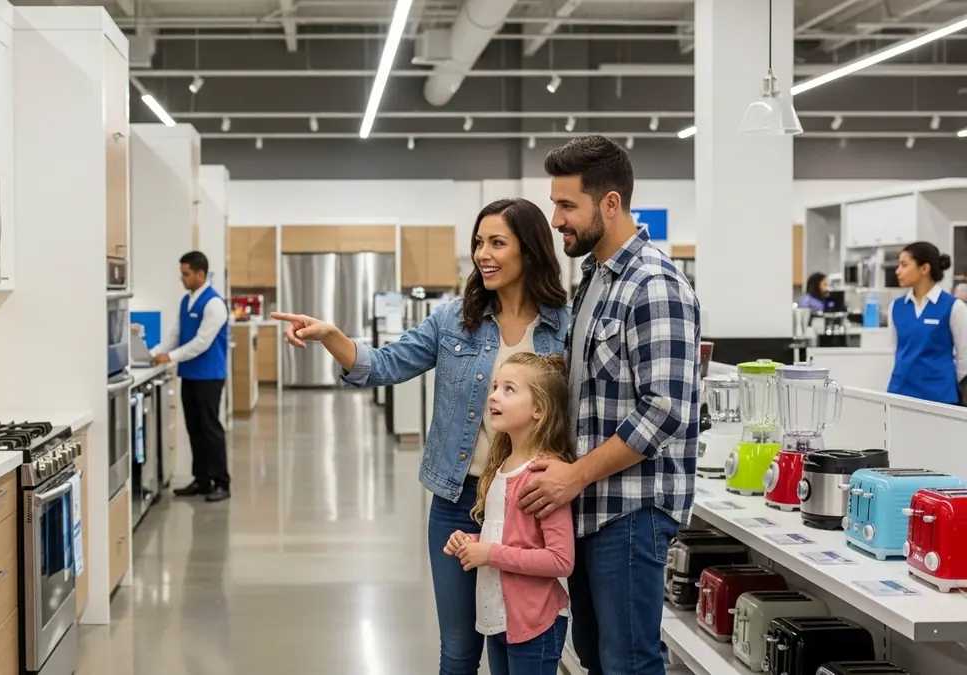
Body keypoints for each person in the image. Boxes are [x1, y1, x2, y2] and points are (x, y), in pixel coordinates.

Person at [271, 198, 570, 675]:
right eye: (478, 243)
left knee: (512, 644)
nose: (482, 254)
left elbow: (577, 417)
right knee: (458, 651)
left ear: (530, 251)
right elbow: (386, 364)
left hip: (527, 507)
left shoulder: (565, 330)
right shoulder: (455, 320)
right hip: (457, 499)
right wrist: (332, 337)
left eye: (497, 242)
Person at [517, 135, 701, 675]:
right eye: (555, 204)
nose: (556, 219)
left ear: (611, 203)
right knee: (597, 656)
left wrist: (574, 475)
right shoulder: (594, 278)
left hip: (629, 509)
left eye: (567, 205)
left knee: (629, 662)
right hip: (591, 506)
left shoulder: (654, 284)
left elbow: (666, 409)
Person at [443, 352, 576, 675]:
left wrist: (488, 553)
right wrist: (472, 542)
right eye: (495, 387)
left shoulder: (544, 476)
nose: (493, 396)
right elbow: (509, 536)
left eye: (508, 389)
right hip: (498, 619)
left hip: (533, 624)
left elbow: (561, 561)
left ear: (539, 410)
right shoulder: (500, 468)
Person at [152, 251, 232, 503]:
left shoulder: (214, 304)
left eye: (185, 273)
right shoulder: (186, 302)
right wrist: (153, 353)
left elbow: (201, 342)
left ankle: (221, 482)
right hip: (190, 375)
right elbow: (174, 335)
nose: (182, 278)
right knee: (194, 428)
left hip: (209, 376)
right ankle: (202, 479)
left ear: (200, 273)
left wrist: (171, 357)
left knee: (210, 429)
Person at [887, 241, 967, 406]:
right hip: (901, 394)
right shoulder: (896, 307)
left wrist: (943, 381)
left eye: (904, 265)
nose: (898, 271)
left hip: (940, 397)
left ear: (924, 268)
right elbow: (895, 351)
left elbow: (964, 359)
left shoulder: (954, 307)